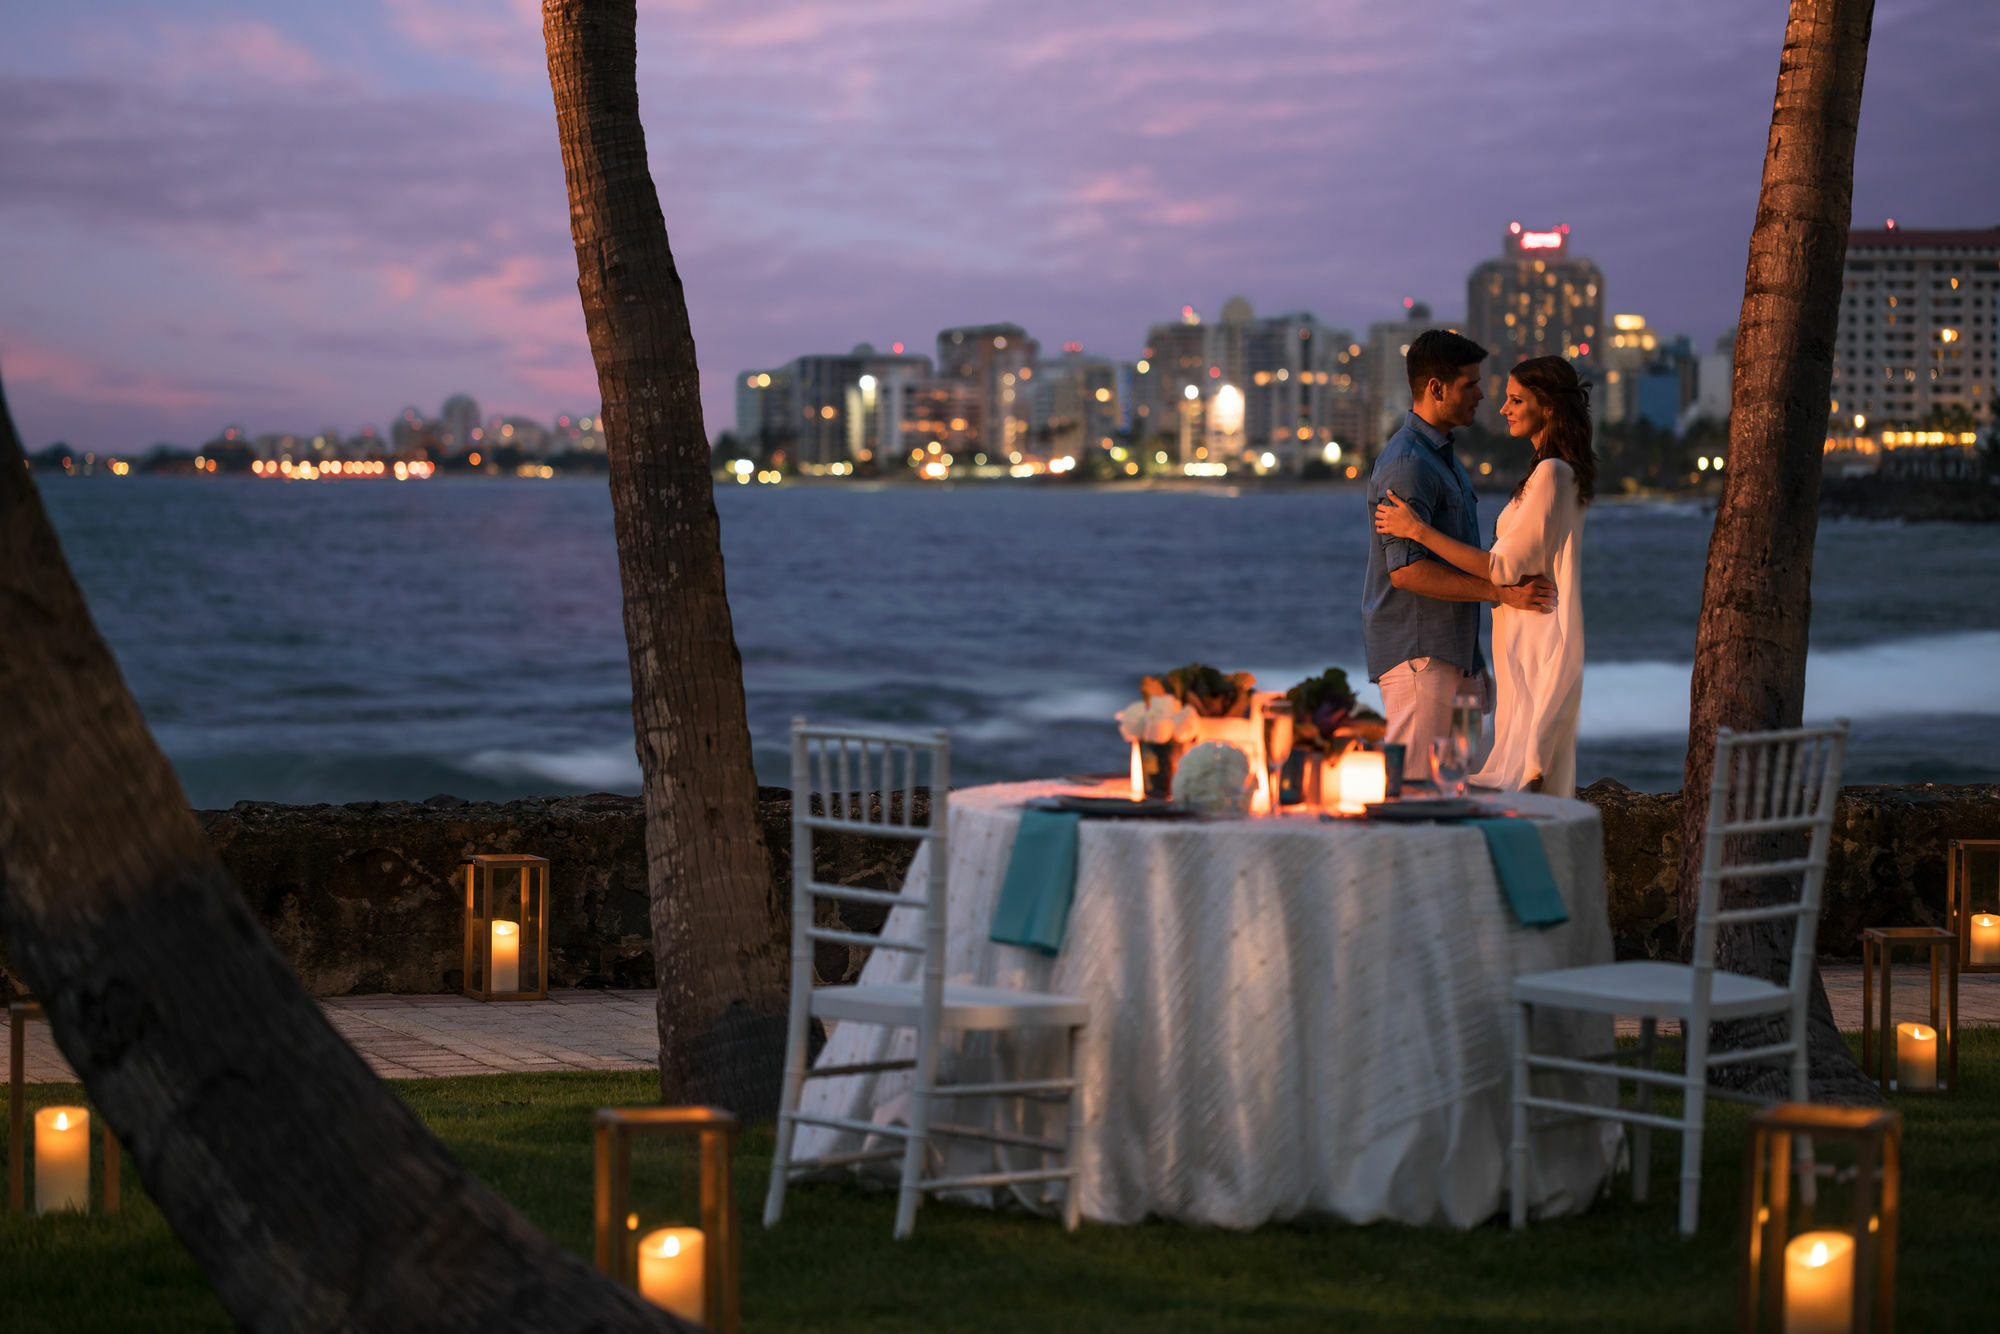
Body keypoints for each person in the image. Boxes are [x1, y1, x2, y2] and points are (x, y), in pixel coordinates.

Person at [1375, 355, 1593, 797]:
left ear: (1548, 406)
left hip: (1512, 646)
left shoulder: (1549, 473)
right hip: (1444, 658)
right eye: (1472, 385)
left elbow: (1503, 568)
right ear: (1435, 388)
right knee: (1443, 791)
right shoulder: (1414, 461)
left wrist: (1417, 530)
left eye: (1515, 399)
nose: (1494, 404)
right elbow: (1405, 572)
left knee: (1456, 791)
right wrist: (1501, 593)